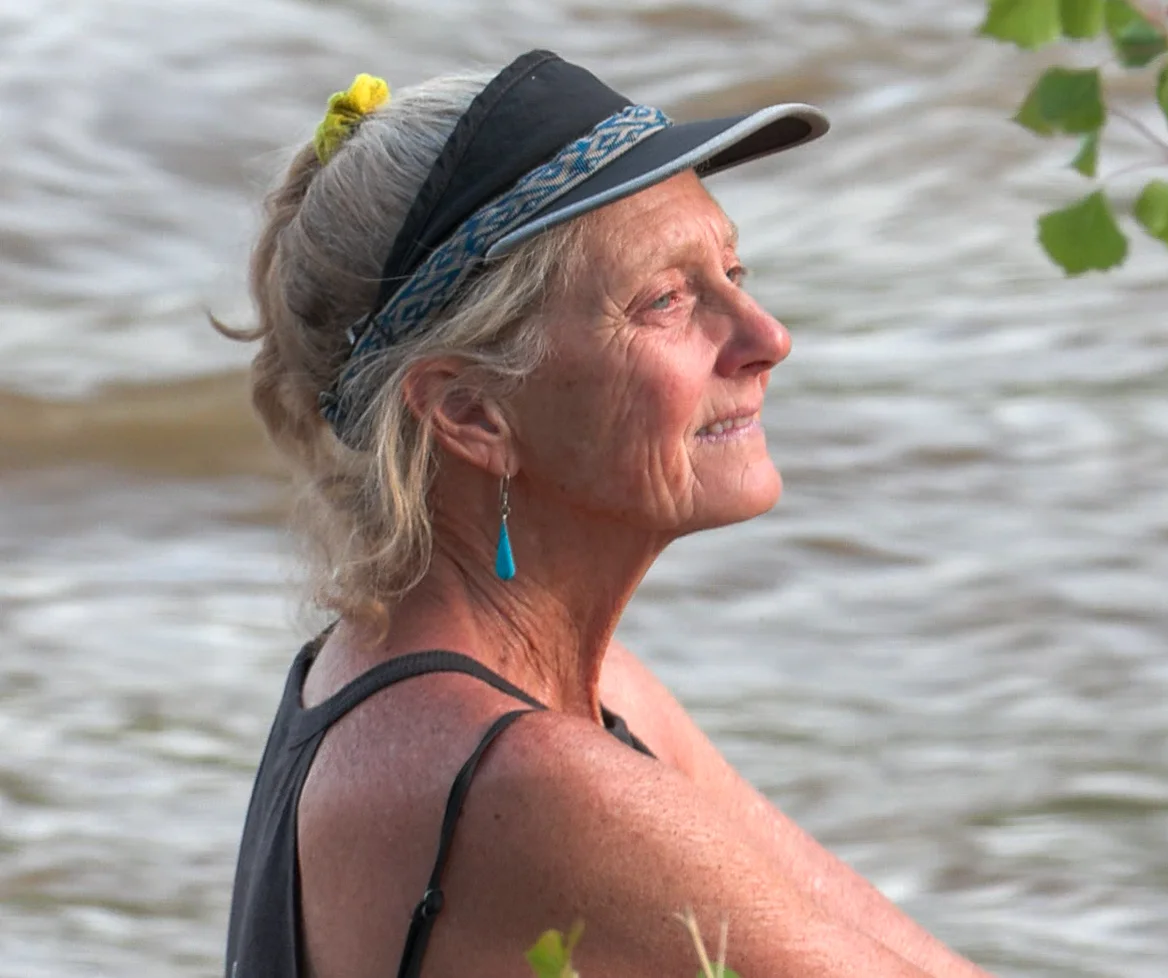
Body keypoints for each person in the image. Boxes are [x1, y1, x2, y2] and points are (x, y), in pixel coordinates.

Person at [220, 51, 993, 978]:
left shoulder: (527, 691)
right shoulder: (521, 775)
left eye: (732, 269)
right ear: (470, 411)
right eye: (665, 299)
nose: (766, 338)